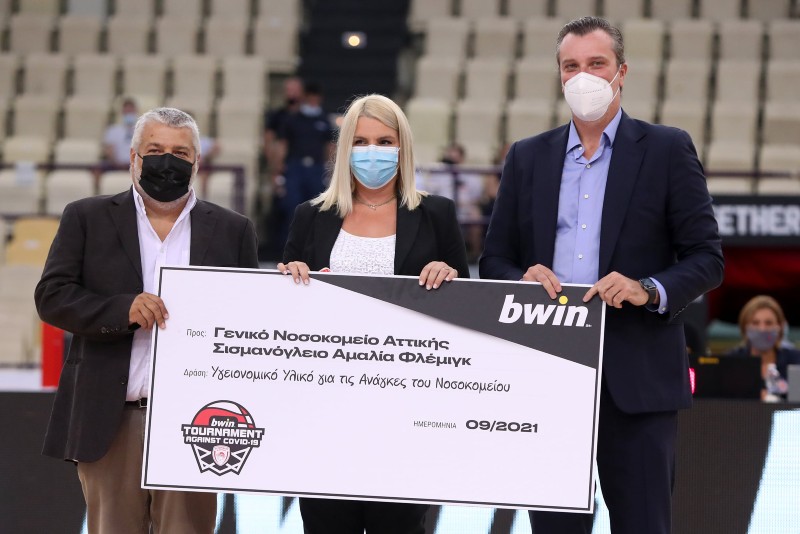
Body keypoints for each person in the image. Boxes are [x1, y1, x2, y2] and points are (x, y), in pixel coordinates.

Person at [479, 17, 724, 534]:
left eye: (596, 63)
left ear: (621, 72)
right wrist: (520, 277)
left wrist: (647, 289)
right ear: (559, 75)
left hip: (637, 379)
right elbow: (495, 258)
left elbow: (706, 258)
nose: (583, 76)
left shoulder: (667, 148)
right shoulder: (526, 157)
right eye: (571, 66)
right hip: (547, 375)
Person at [35, 107, 259, 533]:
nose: (167, 161)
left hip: (199, 421)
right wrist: (122, 310)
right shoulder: (86, 217)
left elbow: (248, 318)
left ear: (197, 162)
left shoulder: (234, 229)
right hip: (111, 418)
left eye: (180, 153)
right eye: (155, 150)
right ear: (133, 157)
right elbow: (52, 297)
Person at [278, 94, 469, 533]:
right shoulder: (311, 216)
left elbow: (465, 312)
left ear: (403, 147)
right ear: (345, 148)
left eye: (384, 141)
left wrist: (452, 276)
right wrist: (290, 278)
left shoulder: (437, 214)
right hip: (323, 415)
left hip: (406, 416)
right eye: (361, 141)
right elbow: (285, 314)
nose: (372, 152)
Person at [275, 81, 336, 253]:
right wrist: (278, 169)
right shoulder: (293, 119)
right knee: (291, 208)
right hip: (295, 167)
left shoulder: (324, 119)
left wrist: (330, 169)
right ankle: (287, 250)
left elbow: (330, 146)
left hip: (316, 168)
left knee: (317, 207)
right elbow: (283, 144)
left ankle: (313, 250)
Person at [725, 295, 800, 400]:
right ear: (745, 327)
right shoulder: (731, 362)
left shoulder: (796, 360)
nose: (762, 329)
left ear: (780, 327)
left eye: (768, 323)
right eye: (755, 323)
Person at [103, 97, 139, 166]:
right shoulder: (113, 130)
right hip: (117, 167)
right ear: (122, 113)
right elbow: (109, 152)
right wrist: (117, 166)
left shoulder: (143, 131)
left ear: (135, 112)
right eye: (126, 112)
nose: (129, 114)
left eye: (131, 112)